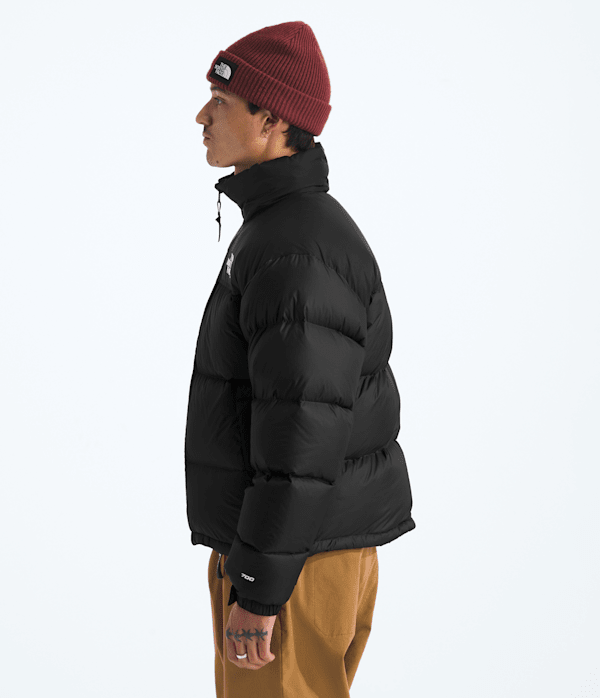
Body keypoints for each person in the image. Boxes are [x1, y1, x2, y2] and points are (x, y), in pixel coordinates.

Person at [184, 20, 416, 697]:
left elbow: (301, 435)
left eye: (220, 102)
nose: (201, 117)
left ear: (272, 121)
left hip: (296, 564)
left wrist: (259, 587)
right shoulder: (283, 232)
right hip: (298, 552)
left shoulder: (294, 249)